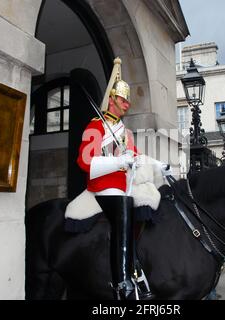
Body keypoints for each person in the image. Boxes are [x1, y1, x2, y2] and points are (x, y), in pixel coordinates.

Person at [76, 57, 154, 300]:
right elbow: (85, 161)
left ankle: (137, 270)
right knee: (124, 207)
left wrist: (156, 166)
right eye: (122, 99)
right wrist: (118, 162)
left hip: (123, 187)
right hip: (102, 188)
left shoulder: (125, 132)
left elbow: (137, 157)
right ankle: (121, 281)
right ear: (111, 100)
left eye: (128, 100)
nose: (127, 104)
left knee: (147, 206)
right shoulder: (96, 126)